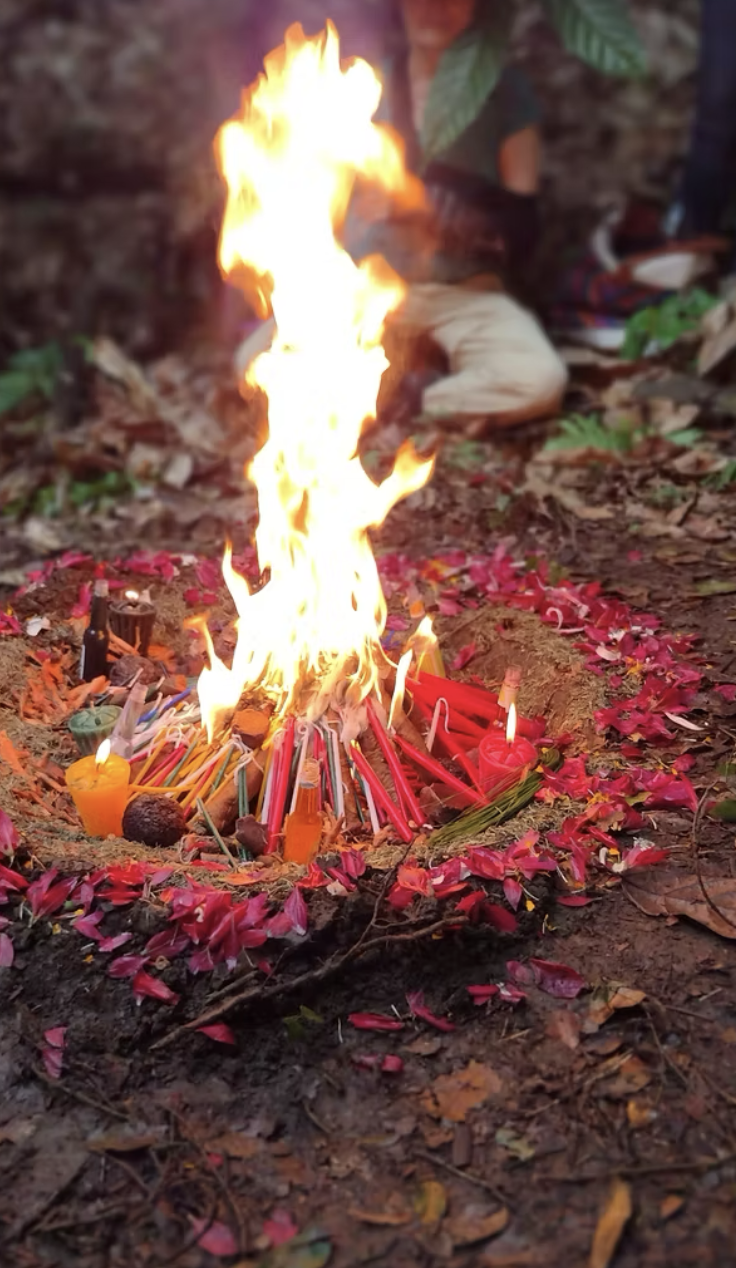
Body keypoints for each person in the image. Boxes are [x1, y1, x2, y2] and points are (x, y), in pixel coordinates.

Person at [349, 0, 568, 428]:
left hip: (464, 295)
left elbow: (523, 227)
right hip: (369, 294)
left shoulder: (505, 92)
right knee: (256, 363)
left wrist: (473, 218)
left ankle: (417, 395)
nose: (435, 9)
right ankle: (390, 373)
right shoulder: (361, 84)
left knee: (538, 381)